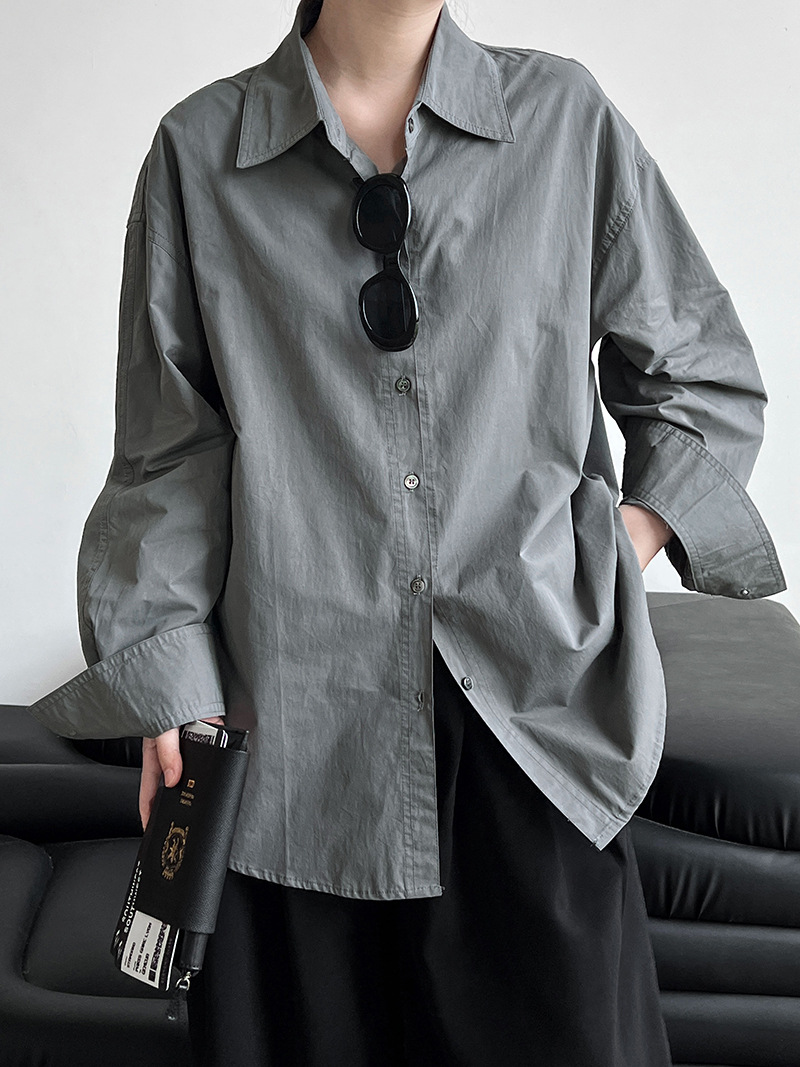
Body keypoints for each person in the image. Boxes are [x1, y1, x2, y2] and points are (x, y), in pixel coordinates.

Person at [27, 0, 786, 1063]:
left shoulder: (562, 121)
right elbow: (167, 457)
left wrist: (606, 556)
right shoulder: (202, 154)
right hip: (290, 746)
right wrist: (171, 688)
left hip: (533, 725)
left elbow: (699, 379)